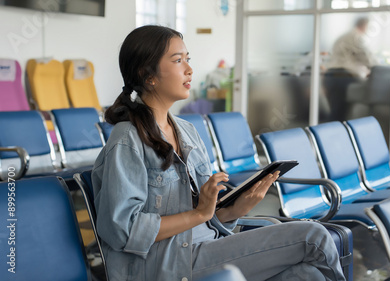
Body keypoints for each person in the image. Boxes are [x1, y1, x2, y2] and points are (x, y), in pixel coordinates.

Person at [92, 25, 346, 281]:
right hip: (168, 264)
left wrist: (234, 211)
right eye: (178, 60)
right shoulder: (127, 140)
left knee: (306, 275)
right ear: (148, 75)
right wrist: (198, 214)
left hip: (206, 248)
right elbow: (122, 230)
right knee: (314, 236)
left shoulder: (186, 131)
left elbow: (206, 216)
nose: (189, 69)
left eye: (187, 59)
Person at [322, 17, 375, 121]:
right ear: (364, 26)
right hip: (343, 77)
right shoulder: (357, 37)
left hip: (330, 76)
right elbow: (367, 58)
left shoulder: (343, 37)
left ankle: (329, 135)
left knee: (336, 112)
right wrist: (378, 69)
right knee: (342, 114)